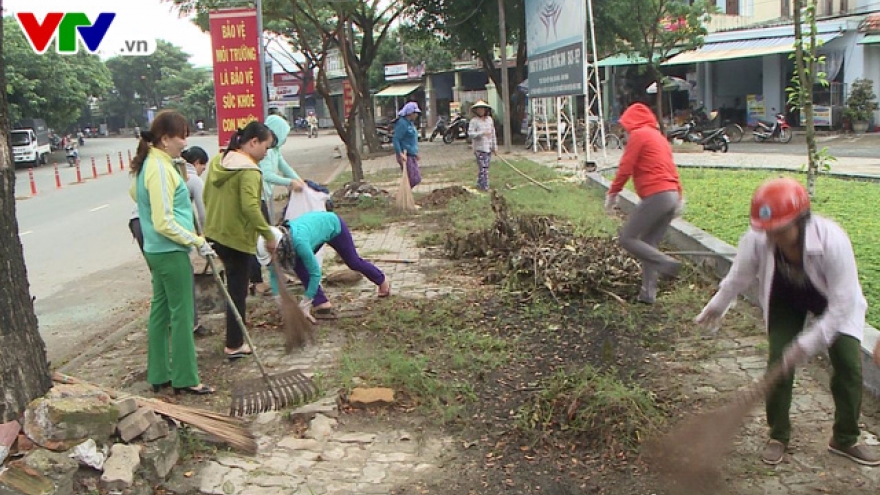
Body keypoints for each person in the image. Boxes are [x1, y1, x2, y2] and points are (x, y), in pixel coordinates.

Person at [695, 177, 879, 467]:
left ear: (801, 221)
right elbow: (739, 276)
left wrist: (806, 344)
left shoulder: (833, 241)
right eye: (767, 231)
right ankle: (778, 434)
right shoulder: (759, 237)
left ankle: (845, 438)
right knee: (778, 360)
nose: (772, 238)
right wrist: (717, 305)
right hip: (786, 297)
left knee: (848, 365)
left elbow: (843, 303)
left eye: (780, 231)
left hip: (831, 301)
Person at [128, 110, 215, 395]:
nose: (184, 143)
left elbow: (135, 194)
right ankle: (186, 378)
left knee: (161, 311)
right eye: (181, 137)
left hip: (157, 249)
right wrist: (196, 240)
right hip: (169, 250)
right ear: (165, 139)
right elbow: (164, 221)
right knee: (182, 314)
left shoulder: (153, 163)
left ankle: (160, 373)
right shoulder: (160, 168)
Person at [203, 121, 277, 360]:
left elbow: (205, 196)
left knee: (234, 286)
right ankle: (234, 344)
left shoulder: (219, 161)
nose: (266, 154)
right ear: (253, 142)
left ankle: (235, 339)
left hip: (215, 233)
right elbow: (250, 207)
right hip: (235, 238)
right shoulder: (249, 170)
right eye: (266, 147)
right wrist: (267, 234)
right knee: (237, 291)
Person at [604, 101, 683, 304]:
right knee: (648, 243)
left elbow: (625, 167)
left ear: (632, 122)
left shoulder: (639, 135)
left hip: (657, 195)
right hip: (671, 195)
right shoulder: (659, 138)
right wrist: (679, 198)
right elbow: (672, 169)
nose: (625, 131)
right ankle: (648, 294)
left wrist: (613, 193)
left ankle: (666, 263)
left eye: (626, 125)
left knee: (627, 238)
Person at [129, 146, 211, 336]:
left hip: (138, 223)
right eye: (203, 168)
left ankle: (166, 323)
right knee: (181, 276)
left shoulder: (157, 167)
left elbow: (134, 193)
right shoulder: (191, 179)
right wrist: (202, 240)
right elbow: (202, 214)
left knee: (161, 278)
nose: (202, 172)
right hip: (156, 227)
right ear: (197, 163)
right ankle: (190, 323)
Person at [256, 211, 391, 320]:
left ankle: (382, 281)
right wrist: (279, 300)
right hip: (313, 233)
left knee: (353, 262)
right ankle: (322, 303)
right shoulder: (275, 246)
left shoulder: (299, 243)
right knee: (300, 268)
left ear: (280, 247)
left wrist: (305, 302)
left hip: (333, 226)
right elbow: (274, 275)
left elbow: (316, 273)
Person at [248, 113, 305, 294]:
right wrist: (289, 183)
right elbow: (267, 175)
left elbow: (285, 167)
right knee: (260, 240)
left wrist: (300, 181)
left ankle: (277, 274)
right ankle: (257, 281)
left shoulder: (275, 150)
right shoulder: (265, 150)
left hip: (263, 197)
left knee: (268, 238)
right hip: (257, 198)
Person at [467, 100, 498, 191]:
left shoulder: (489, 120)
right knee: (483, 168)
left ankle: (480, 184)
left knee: (485, 168)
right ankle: (485, 187)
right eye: (479, 109)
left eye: (482, 109)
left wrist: (494, 147)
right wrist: (482, 133)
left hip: (488, 148)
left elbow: (493, 134)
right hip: (479, 148)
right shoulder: (474, 121)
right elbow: (471, 134)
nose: (481, 111)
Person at [392, 102, 422, 189]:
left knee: (416, 178)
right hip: (405, 155)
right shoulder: (402, 123)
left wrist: (415, 153)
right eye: (415, 113)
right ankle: (402, 195)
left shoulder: (410, 123)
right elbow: (396, 139)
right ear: (410, 113)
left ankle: (406, 194)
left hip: (411, 154)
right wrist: (400, 153)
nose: (416, 115)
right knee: (411, 179)